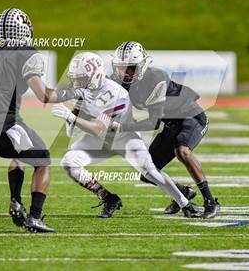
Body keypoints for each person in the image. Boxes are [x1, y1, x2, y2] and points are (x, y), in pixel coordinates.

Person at [0, 8, 79, 232]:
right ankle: (34, 217)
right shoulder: (26, 54)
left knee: (19, 152)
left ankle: (16, 201)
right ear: (24, 31)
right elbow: (45, 95)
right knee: (43, 161)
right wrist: (73, 92)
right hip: (7, 126)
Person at [51, 51, 202, 218]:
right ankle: (108, 198)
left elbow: (98, 127)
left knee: (150, 172)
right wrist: (76, 110)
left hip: (124, 138)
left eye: (81, 78)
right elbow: (72, 131)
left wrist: (71, 116)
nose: (77, 83)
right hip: (100, 140)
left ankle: (185, 203)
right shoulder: (85, 92)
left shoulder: (116, 92)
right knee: (69, 162)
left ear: (94, 76)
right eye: (76, 79)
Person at [111, 41, 220, 219]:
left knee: (182, 150)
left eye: (130, 68)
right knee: (148, 173)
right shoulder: (119, 82)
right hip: (170, 123)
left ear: (141, 65)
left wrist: (123, 127)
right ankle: (183, 193)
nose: (125, 73)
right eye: (121, 68)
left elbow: (153, 122)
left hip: (191, 117)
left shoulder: (156, 78)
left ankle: (210, 202)